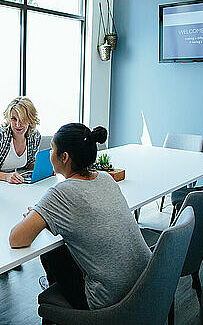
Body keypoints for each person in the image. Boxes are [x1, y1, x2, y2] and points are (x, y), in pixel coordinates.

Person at [8, 124, 151, 310]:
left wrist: (38, 218)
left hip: (109, 301)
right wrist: (43, 215)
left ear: (64, 157)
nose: (50, 152)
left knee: (52, 253)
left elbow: (16, 239)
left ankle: (60, 311)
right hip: (146, 286)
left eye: (52, 148)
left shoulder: (60, 193)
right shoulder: (105, 178)